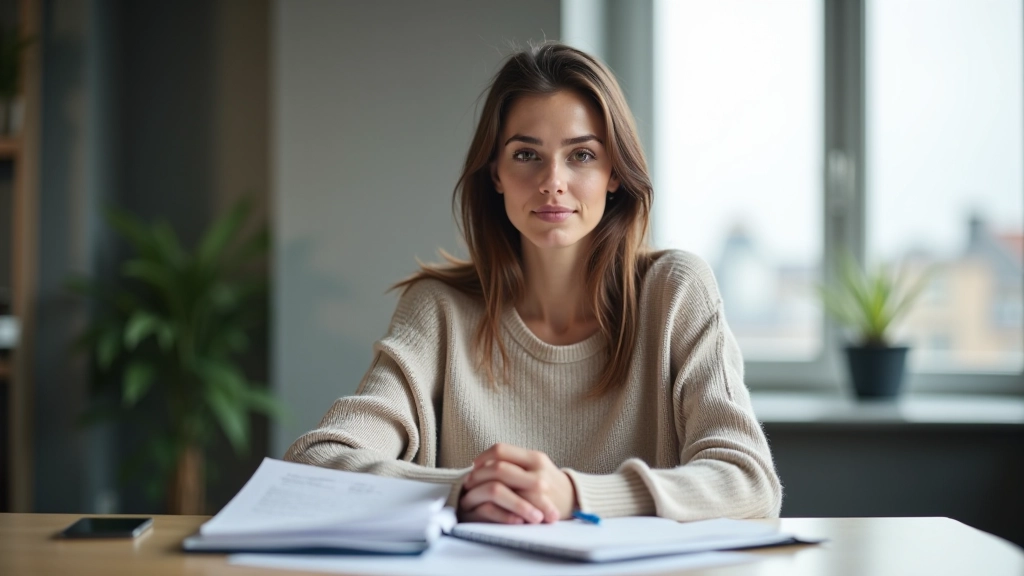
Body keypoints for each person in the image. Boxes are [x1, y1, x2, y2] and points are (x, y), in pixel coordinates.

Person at [285, 42, 782, 525]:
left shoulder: (676, 292)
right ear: (495, 172)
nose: (552, 181)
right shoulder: (439, 309)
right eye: (526, 155)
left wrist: (574, 494)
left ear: (614, 172)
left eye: (581, 155)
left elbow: (749, 480)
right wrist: (466, 490)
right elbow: (316, 461)